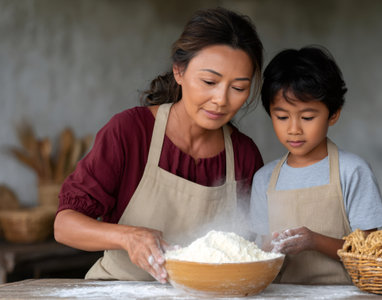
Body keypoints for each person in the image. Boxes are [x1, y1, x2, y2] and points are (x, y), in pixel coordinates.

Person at [54, 7, 264, 283]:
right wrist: (129, 236)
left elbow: (256, 248)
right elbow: (65, 225)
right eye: (209, 81)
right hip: (118, 291)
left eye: (238, 88)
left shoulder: (244, 155)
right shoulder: (130, 132)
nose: (221, 99)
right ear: (179, 71)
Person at [249, 46, 382, 284]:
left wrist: (313, 240)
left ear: (333, 114)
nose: (294, 128)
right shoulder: (264, 178)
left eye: (307, 117)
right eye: (282, 117)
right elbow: (259, 252)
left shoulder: (352, 171)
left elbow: (372, 252)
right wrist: (267, 247)